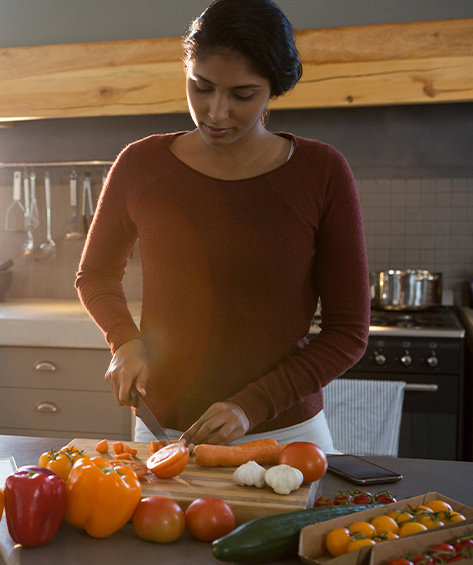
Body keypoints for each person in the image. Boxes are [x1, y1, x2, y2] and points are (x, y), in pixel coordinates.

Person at [75, 0, 369, 453]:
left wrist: (251, 405)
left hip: (285, 434)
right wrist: (124, 340)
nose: (215, 112)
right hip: (165, 430)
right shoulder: (140, 164)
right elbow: (95, 275)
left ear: (274, 88)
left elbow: (349, 331)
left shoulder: (322, 171)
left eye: (241, 95)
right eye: (201, 87)